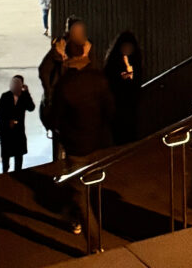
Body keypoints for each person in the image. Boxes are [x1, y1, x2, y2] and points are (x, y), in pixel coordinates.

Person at [51, 39, 115, 237]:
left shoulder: (65, 85)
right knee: (87, 187)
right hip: (98, 143)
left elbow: (54, 117)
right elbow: (111, 110)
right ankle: (74, 215)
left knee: (80, 193)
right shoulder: (99, 79)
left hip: (76, 146)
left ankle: (94, 243)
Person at [39, 16, 93, 131]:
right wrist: (50, 92)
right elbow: (44, 71)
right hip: (64, 105)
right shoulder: (59, 49)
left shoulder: (87, 48)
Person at [104, 31, 144, 144]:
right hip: (117, 104)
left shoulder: (135, 62)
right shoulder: (114, 63)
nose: (127, 49)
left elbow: (137, 82)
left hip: (130, 105)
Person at [0, 75, 35, 174]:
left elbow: (31, 107)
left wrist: (27, 92)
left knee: (18, 155)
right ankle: (5, 171)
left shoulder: (24, 97)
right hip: (6, 130)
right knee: (6, 155)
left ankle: (18, 173)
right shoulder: (5, 96)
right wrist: (8, 121)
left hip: (18, 131)